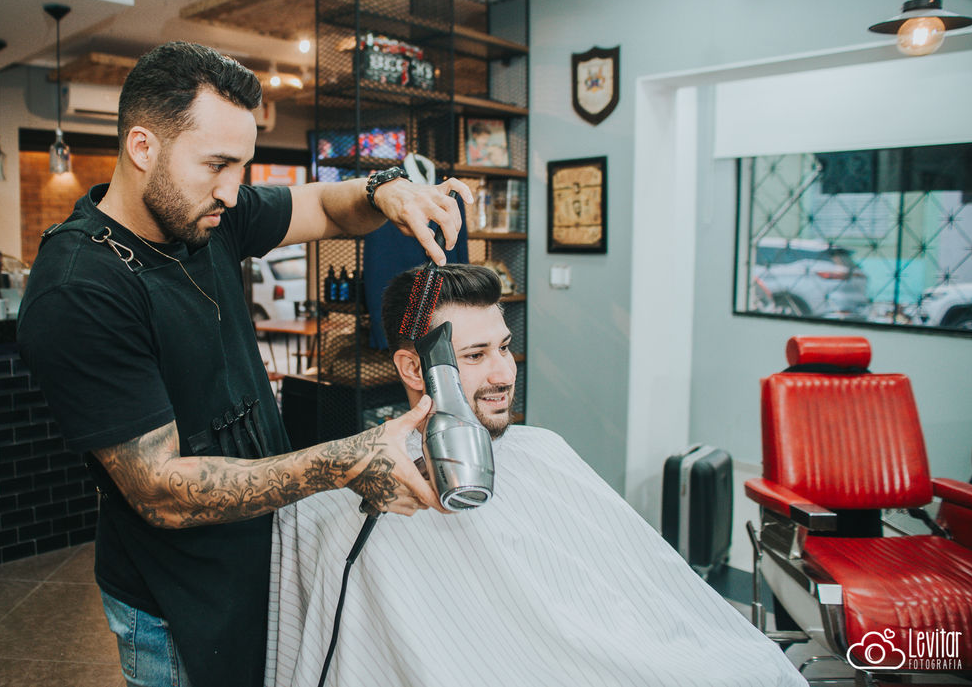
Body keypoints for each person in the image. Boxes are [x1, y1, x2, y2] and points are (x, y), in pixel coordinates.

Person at [17, 41, 473, 687]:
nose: (233, 191)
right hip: (174, 599)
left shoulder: (207, 215)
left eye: (242, 166)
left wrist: (386, 190)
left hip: (254, 557)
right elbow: (159, 490)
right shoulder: (79, 289)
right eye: (217, 164)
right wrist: (341, 461)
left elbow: (326, 206)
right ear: (142, 147)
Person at [265, 264, 805, 687]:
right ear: (413, 368)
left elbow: (634, 593)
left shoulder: (542, 450)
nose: (504, 373)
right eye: (475, 355)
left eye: (503, 347)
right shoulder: (343, 506)